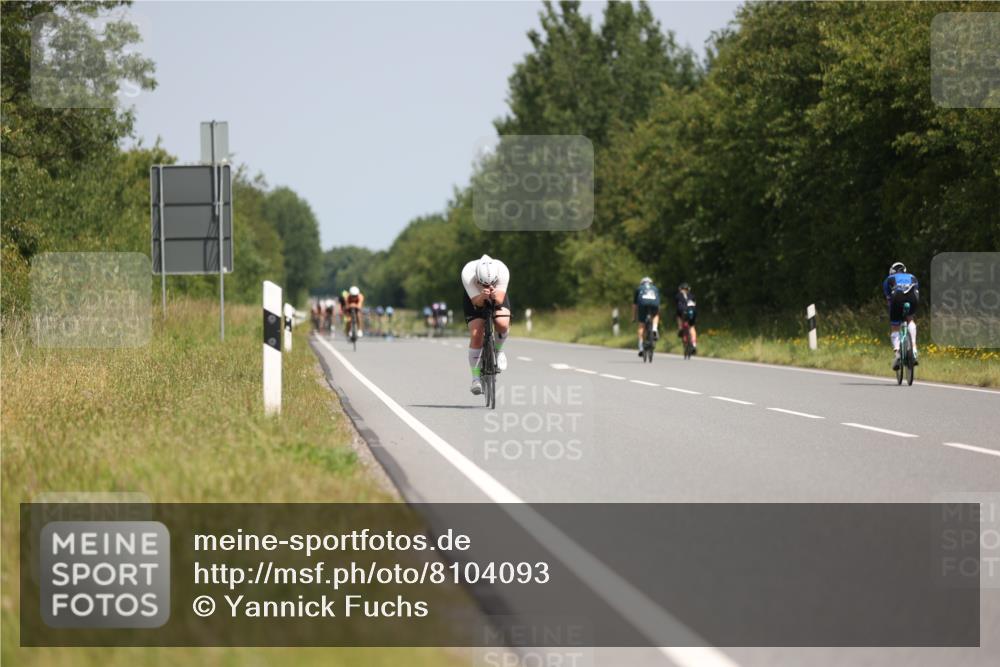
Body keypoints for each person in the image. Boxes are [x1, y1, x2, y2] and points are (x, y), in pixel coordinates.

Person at [461, 254, 511, 395]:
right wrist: (483, 296)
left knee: (502, 323)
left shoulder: (502, 270)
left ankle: (499, 350)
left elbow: (500, 299)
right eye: (484, 283)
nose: (488, 286)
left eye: (490, 283)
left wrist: (494, 295)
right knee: (476, 333)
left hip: (498, 293)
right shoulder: (468, 273)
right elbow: (477, 303)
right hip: (475, 296)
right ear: (477, 278)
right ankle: (475, 378)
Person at [882, 261, 919, 370]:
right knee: (910, 319)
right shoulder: (913, 277)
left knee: (895, 327)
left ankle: (897, 353)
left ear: (892, 271)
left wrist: (893, 313)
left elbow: (889, 299)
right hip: (913, 297)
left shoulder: (889, 279)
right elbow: (917, 291)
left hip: (897, 297)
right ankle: (914, 349)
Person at [632, 276, 661, 357]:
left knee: (641, 326)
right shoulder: (655, 288)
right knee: (656, 315)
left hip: (643, 304)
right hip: (654, 304)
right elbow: (658, 303)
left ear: (642, 283)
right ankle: (654, 329)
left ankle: (641, 347)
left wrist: (634, 317)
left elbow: (634, 305)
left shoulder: (639, 288)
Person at [675, 282, 698, 355]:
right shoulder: (692, 295)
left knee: (678, 316)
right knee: (692, 327)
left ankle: (680, 328)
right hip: (692, 312)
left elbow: (676, 305)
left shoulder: (678, 295)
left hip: (683, 312)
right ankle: (694, 345)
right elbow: (695, 304)